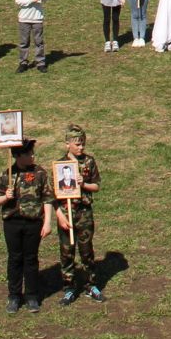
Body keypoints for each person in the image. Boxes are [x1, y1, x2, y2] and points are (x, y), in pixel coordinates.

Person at [0, 140, 55, 313]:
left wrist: (48, 222)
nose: (32, 156)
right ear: (18, 156)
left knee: (31, 259)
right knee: (14, 259)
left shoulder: (40, 173)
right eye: (28, 153)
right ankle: (14, 296)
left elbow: (47, 198)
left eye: (32, 153)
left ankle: (31, 296)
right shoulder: (7, 174)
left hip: (33, 222)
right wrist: (6, 197)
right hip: (12, 222)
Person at [57, 126, 104, 303]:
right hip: (66, 213)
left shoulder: (89, 162)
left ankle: (90, 285)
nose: (81, 148)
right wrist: (60, 215)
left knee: (86, 250)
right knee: (67, 252)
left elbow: (96, 186)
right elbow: (53, 194)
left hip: (84, 213)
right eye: (77, 144)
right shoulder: (60, 165)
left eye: (83, 144)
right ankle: (69, 287)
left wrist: (83, 184)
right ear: (67, 144)